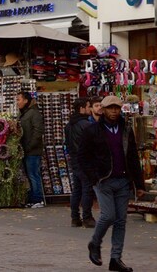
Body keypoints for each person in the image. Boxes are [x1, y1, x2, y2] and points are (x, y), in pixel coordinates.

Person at [77, 96, 145, 272]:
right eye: (110, 108)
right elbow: (82, 158)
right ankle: (95, 243)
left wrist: (139, 183)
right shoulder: (92, 131)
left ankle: (116, 258)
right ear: (103, 110)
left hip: (123, 180)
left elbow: (132, 156)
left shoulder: (125, 130)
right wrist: (93, 177)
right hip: (103, 180)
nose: (114, 111)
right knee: (108, 215)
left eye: (117, 108)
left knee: (121, 220)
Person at [65, 97, 96, 228]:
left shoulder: (69, 125)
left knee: (77, 189)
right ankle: (87, 217)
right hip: (85, 161)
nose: (89, 109)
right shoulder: (86, 125)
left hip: (75, 160)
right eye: (88, 106)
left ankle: (75, 217)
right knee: (87, 189)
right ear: (82, 108)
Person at [17, 91, 46, 208]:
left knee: (34, 174)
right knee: (30, 175)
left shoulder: (34, 113)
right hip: (26, 149)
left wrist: (30, 146)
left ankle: (38, 199)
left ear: (25, 100)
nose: (17, 102)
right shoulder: (25, 113)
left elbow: (38, 131)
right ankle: (33, 198)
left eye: (19, 99)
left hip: (32, 151)